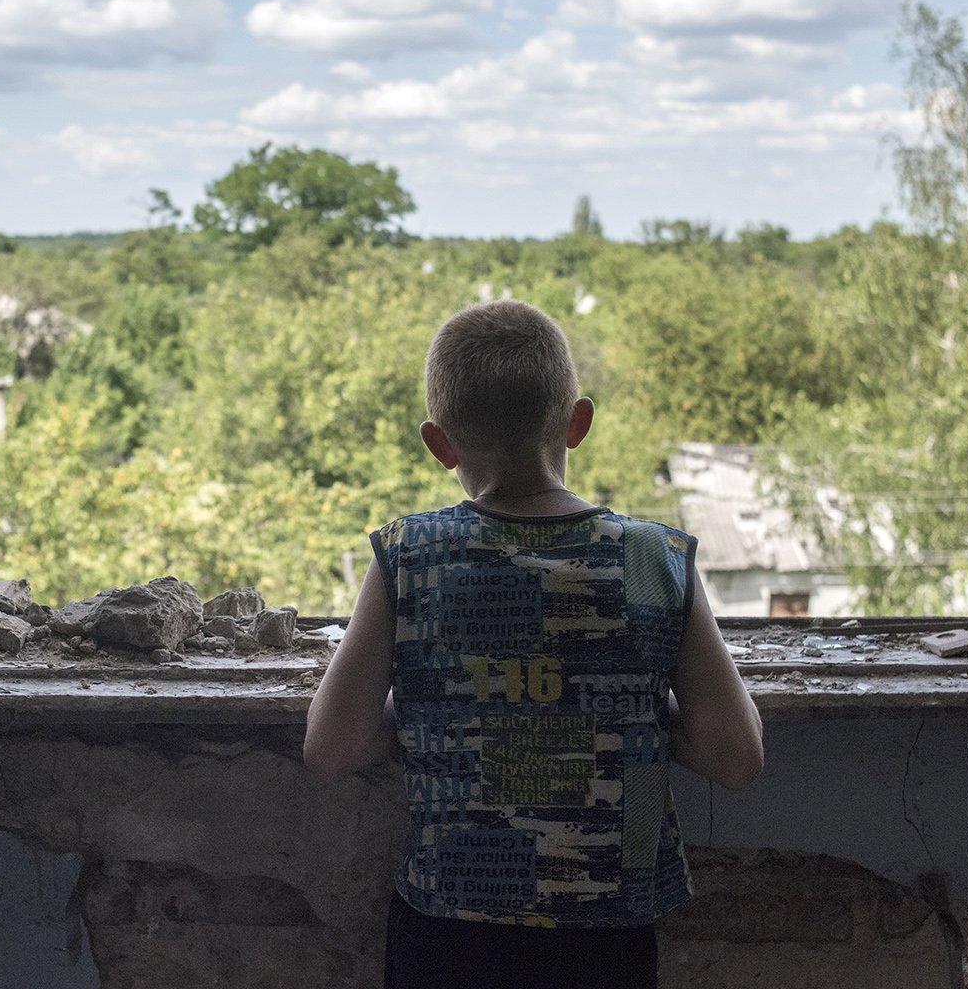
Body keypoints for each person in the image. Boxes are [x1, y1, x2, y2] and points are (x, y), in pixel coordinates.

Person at [304, 300, 764, 989]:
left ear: (440, 444)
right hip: (607, 930)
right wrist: (622, 723)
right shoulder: (650, 558)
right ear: (578, 422)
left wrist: (429, 721)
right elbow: (735, 758)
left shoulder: (410, 557)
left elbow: (331, 749)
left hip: (448, 929)